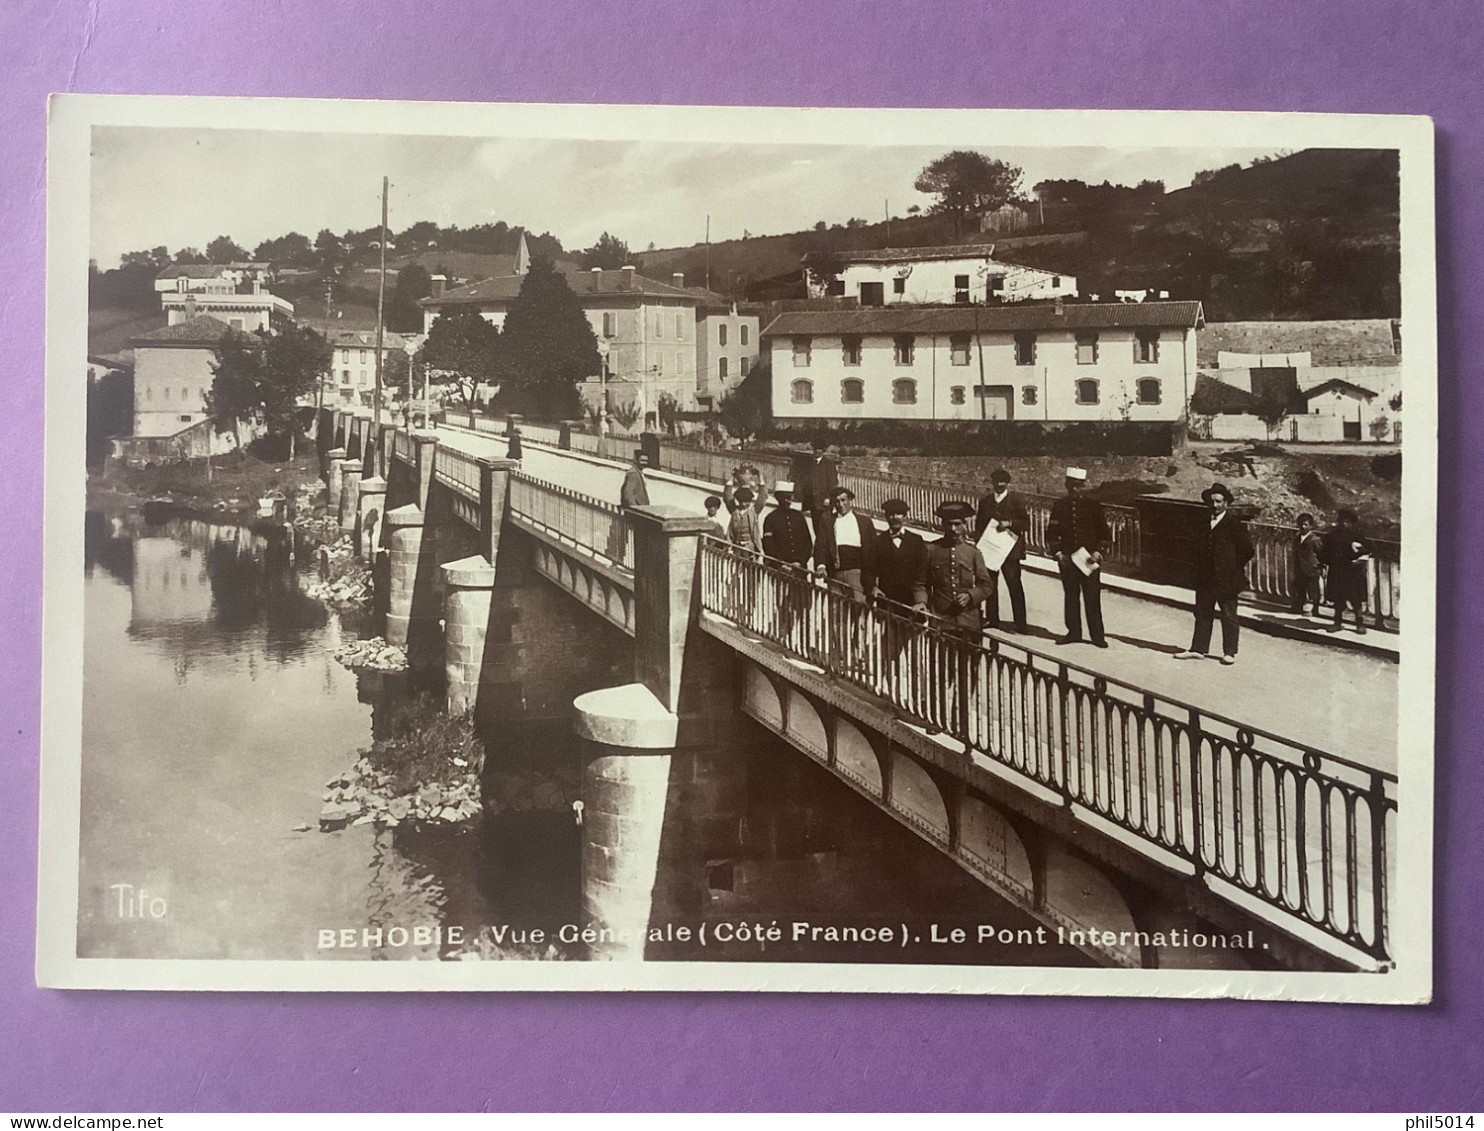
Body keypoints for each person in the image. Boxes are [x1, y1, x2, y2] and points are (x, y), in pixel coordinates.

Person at [912, 501, 993, 733]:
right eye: (949, 524)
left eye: (958, 524)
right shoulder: (932, 551)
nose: (954, 529)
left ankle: (962, 720)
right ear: (942, 524)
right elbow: (920, 583)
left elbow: (987, 585)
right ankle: (937, 719)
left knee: (967, 674)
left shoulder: (974, 553)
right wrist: (921, 601)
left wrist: (971, 595)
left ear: (965, 525)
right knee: (940, 672)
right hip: (943, 622)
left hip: (970, 624)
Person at [1174, 483, 1254, 665]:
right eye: (1212, 502)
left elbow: (1247, 550)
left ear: (1226, 503)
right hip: (1205, 578)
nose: (1215, 505)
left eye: (1218, 502)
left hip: (1226, 579)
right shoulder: (1203, 522)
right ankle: (1198, 649)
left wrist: (1231, 567)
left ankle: (1229, 652)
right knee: (1202, 613)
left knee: (1229, 615)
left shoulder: (1234, 524)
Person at [1045, 467, 1111, 647]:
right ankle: (1073, 632)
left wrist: (1098, 552)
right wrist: (1057, 553)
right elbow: (1052, 531)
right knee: (1071, 596)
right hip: (1067, 559)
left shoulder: (1093, 505)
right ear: (1067, 486)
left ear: (1083, 487)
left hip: (1088, 558)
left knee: (1092, 597)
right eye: (1072, 486)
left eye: (1079, 486)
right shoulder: (1060, 505)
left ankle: (1097, 636)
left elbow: (1104, 533)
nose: (1075, 490)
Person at [871, 499, 930, 698]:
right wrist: (873, 587)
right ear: (885, 517)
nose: (895, 518)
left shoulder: (916, 541)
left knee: (915, 657)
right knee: (889, 654)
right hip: (889, 607)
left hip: (912, 608)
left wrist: (921, 601)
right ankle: (892, 697)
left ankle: (918, 699)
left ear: (905, 516)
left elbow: (923, 575)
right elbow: (869, 570)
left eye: (899, 514)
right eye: (891, 514)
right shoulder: (878, 542)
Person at [973, 467, 1029, 633]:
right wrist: (979, 548)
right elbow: (979, 526)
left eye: (1002, 482)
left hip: (1010, 551)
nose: (999, 485)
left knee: (1014, 585)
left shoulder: (1016, 501)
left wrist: (1010, 523)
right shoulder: (985, 502)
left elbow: (1025, 524)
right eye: (996, 482)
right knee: (990, 585)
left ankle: (1021, 623)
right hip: (990, 550)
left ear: (1007, 483)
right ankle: (992, 619)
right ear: (992, 483)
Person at [762, 480, 814, 649]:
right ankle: (783, 640)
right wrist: (781, 563)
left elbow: (808, 543)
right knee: (783, 605)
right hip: (781, 570)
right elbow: (768, 545)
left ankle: (804, 643)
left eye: (789, 497)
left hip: (799, 570)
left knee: (803, 607)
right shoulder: (771, 519)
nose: (788, 500)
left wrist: (801, 561)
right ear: (778, 498)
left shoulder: (798, 517)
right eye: (784, 497)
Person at [813, 486, 877, 597]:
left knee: (859, 607)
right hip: (835, 573)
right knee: (836, 608)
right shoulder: (828, 519)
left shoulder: (864, 521)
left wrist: (872, 578)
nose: (841, 504)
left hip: (857, 574)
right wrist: (821, 566)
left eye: (843, 500)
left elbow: (873, 550)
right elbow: (821, 544)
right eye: (837, 501)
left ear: (850, 500)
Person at [1322, 507, 1372, 634]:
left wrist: (1361, 557)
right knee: (1338, 598)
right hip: (1338, 570)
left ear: (1351, 523)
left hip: (1353, 572)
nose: (1344, 524)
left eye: (1347, 522)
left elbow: (1369, 550)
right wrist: (1324, 564)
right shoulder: (1331, 536)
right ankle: (1337, 623)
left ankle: (1359, 624)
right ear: (1339, 522)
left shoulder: (1357, 536)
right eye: (1342, 521)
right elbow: (1324, 553)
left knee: (1356, 599)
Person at [794, 437, 839, 539]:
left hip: (824, 502)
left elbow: (833, 483)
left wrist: (828, 497)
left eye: (818, 450)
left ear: (823, 451)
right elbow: (803, 480)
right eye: (815, 450)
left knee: (825, 526)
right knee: (815, 525)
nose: (816, 452)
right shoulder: (809, 464)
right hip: (813, 502)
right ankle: (819, 546)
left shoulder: (829, 465)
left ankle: (826, 547)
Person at [1290, 512, 1325, 617]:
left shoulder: (1315, 539)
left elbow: (1321, 554)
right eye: (1301, 524)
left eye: (1305, 524)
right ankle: (1298, 607)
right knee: (1300, 588)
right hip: (1300, 568)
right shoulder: (1297, 538)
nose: (1303, 527)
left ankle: (1315, 609)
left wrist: (1321, 567)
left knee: (1313, 590)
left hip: (1312, 568)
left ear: (1311, 526)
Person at [726, 486, 764, 554]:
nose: (743, 504)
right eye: (741, 502)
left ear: (750, 501)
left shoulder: (753, 512)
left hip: (749, 547)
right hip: (736, 547)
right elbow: (728, 498)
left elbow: (762, 499)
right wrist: (729, 547)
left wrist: (762, 484)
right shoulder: (735, 512)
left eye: (746, 502)